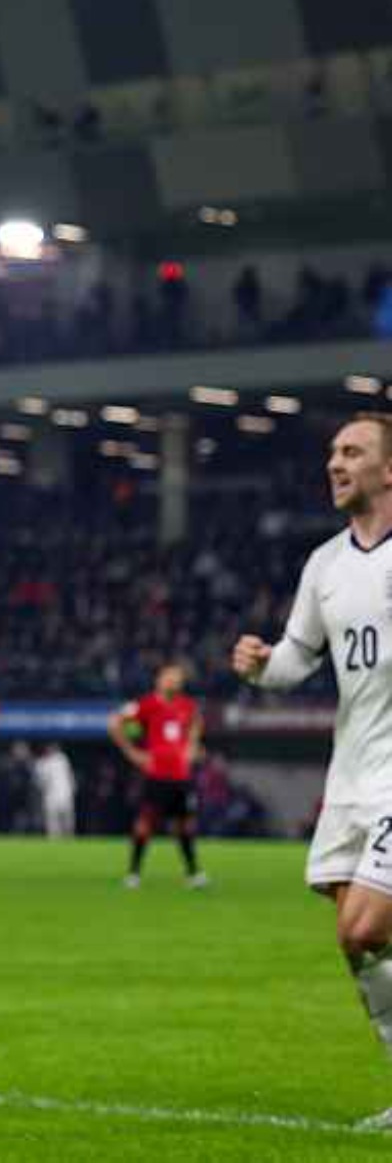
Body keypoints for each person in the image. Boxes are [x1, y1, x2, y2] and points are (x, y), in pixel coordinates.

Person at [232, 412, 392, 1131]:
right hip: (350, 773)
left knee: (361, 930)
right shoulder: (325, 565)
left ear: (388, 470)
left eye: (353, 452)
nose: (335, 462)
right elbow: (300, 660)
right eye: (333, 451)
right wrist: (264, 665)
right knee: (358, 939)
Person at [107, 662, 208, 889]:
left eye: (178, 677)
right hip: (156, 775)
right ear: (159, 680)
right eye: (170, 676)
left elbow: (197, 725)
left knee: (186, 826)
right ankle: (133, 874)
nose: (174, 681)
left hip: (181, 776)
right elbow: (114, 723)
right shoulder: (145, 705)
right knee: (145, 824)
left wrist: (192, 747)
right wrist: (133, 753)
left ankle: (193, 874)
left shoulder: (187, 706)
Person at [34, 742, 76, 838]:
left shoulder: (62, 759)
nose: (51, 750)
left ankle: (69, 842)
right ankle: (54, 842)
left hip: (65, 794)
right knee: (52, 824)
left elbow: (69, 776)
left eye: (53, 748)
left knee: (68, 823)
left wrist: (72, 789)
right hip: (50, 797)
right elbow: (39, 783)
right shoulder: (41, 763)